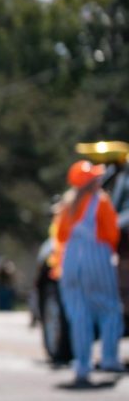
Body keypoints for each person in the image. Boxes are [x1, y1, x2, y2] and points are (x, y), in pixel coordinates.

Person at [55, 160, 124, 386]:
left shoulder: (67, 205)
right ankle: (109, 357)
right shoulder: (100, 202)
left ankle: (82, 366)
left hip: (71, 262)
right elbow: (112, 233)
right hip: (97, 260)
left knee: (79, 317)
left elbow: (61, 237)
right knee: (110, 309)